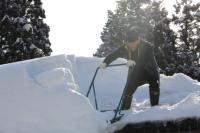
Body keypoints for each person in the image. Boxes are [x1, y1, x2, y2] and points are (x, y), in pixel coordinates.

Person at [99, 29, 160, 110]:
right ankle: (124, 110)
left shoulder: (147, 46)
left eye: (133, 43)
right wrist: (105, 62)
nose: (131, 46)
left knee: (154, 85)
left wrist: (134, 62)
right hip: (136, 72)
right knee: (128, 89)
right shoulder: (126, 46)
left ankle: (155, 108)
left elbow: (144, 60)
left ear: (138, 40)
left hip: (149, 71)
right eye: (129, 44)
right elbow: (115, 54)